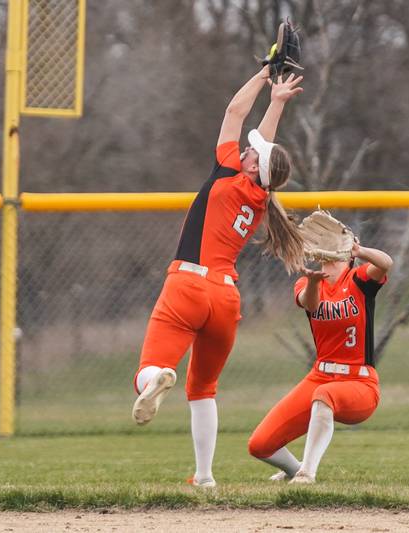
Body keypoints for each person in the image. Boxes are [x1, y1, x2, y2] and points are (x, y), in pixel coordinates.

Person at [131, 66, 305, 488]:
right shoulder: (261, 196)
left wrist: (264, 74)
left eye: (250, 152)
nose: (245, 149)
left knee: (149, 368)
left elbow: (233, 111)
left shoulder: (229, 173)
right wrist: (278, 102)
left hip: (188, 284)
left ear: (248, 165)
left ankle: (155, 380)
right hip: (225, 299)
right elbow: (263, 149)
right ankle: (204, 477)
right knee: (203, 388)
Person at [248, 237, 393, 483]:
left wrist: (360, 250)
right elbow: (310, 303)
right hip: (320, 376)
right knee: (260, 445)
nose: (327, 260)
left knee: (325, 395)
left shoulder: (358, 279)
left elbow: (386, 263)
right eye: (323, 257)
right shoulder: (306, 283)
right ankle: (294, 470)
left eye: (334, 255)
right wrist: (314, 282)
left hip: (360, 382)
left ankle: (307, 473)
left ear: (348, 258)